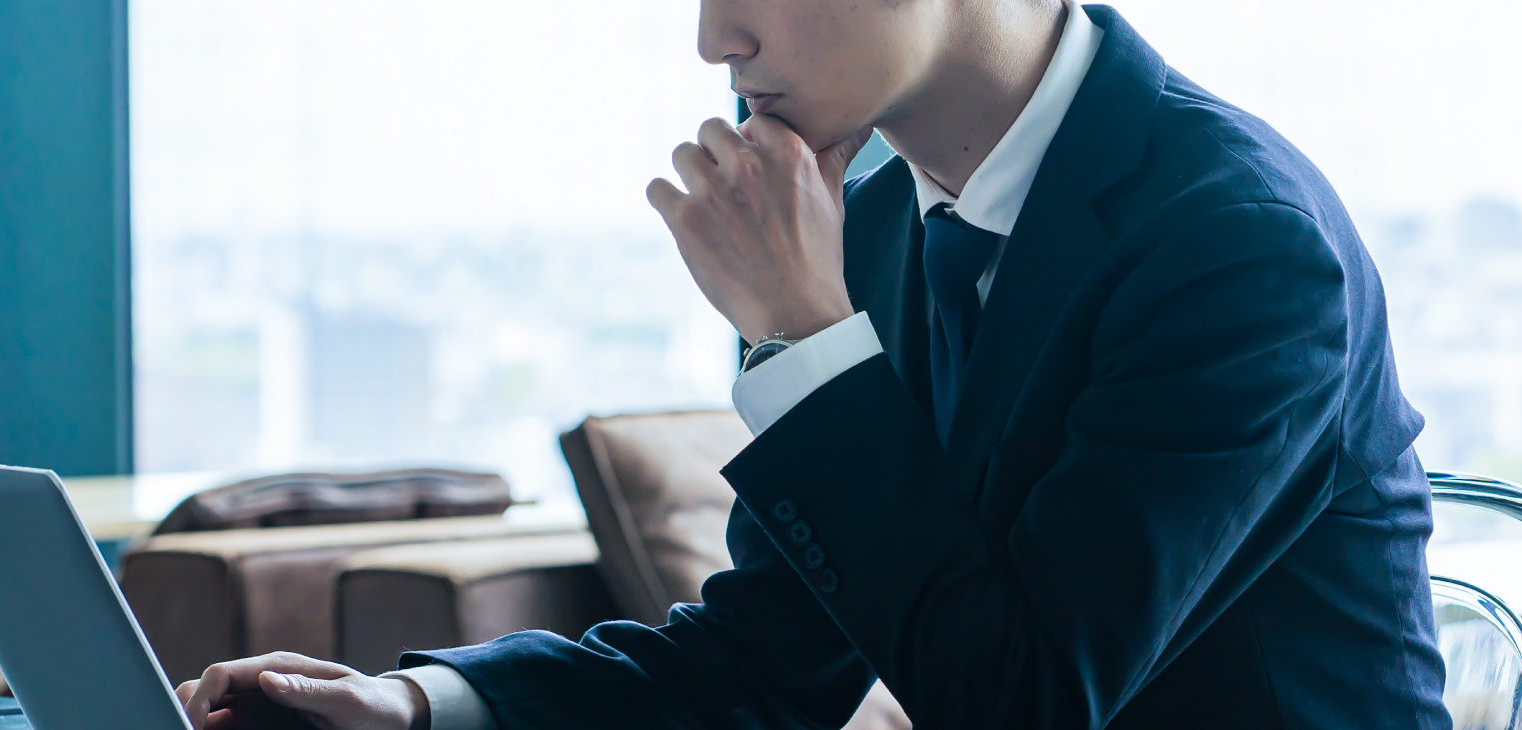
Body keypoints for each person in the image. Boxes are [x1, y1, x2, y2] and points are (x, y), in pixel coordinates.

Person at [175, 1, 1447, 728]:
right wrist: (414, 709)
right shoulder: (867, 225)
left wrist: (805, 333)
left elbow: (1023, 707)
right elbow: (769, 660)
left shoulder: (1237, 244)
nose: (712, 35)